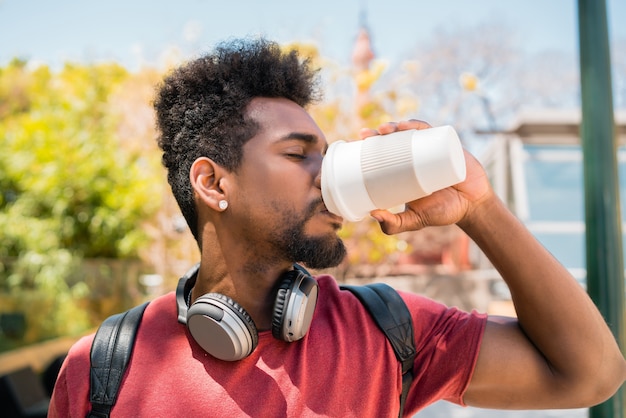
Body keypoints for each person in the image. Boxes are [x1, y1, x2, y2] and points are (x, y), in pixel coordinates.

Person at [49, 37, 626, 417]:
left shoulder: (388, 330)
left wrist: (479, 209)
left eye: (327, 154)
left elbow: (590, 374)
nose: (325, 176)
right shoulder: (104, 366)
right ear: (213, 184)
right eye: (298, 153)